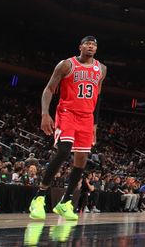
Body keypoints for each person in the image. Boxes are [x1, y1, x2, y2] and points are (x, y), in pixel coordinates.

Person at [29, 36, 106, 221]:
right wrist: (45, 114)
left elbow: (98, 97)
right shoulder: (66, 65)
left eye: (94, 44)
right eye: (87, 43)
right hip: (67, 113)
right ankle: (38, 197)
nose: (90, 46)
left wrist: (95, 124)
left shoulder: (101, 69)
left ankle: (65, 202)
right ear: (80, 46)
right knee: (64, 151)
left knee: (81, 160)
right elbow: (48, 89)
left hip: (87, 118)